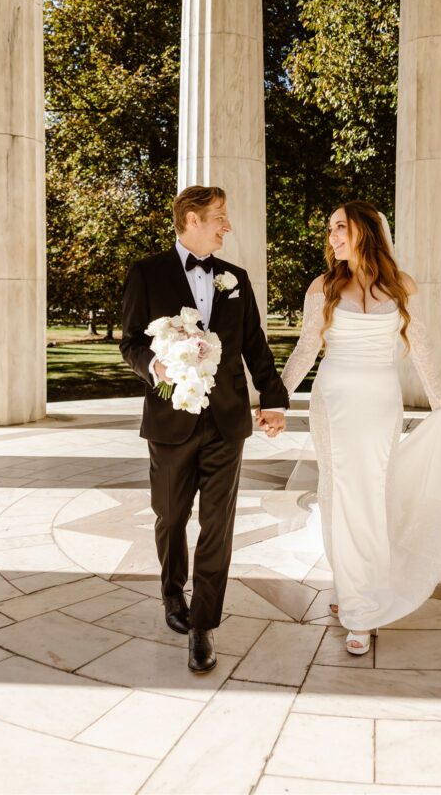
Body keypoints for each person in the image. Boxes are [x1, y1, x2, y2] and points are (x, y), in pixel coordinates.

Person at [266, 200, 441, 655]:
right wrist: (277, 401)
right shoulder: (323, 286)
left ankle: (361, 597)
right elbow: (305, 350)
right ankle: (356, 599)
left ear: (365, 232)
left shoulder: (401, 286)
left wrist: (440, 402)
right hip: (333, 401)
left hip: (381, 402)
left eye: (340, 227)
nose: (331, 236)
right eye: (330, 229)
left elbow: (421, 346)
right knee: (340, 492)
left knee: (373, 493)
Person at [121, 186, 288, 672]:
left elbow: (253, 342)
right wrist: (156, 367)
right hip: (170, 416)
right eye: (219, 217)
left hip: (227, 421)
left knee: (218, 524)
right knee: (170, 517)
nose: (226, 226)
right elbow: (131, 340)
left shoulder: (234, 278)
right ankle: (173, 595)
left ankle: (203, 624)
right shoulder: (146, 273)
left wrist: (273, 398)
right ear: (191, 220)